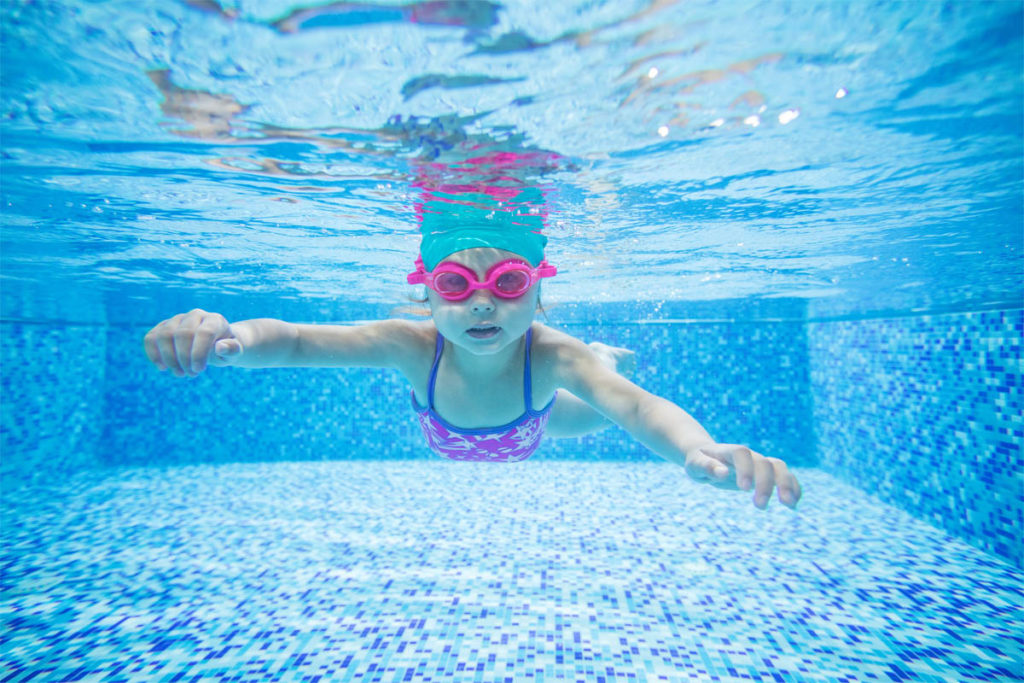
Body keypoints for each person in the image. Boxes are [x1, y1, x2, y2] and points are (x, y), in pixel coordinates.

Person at [143, 188, 801, 510]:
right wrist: (232, 338)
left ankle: (608, 353)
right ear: (427, 294)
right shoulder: (408, 343)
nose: (481, 302)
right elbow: (292, 344)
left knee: (597, 391)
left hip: (535, 421)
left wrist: (694, 445)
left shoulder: (550, 352)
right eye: (456, 285)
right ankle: (605, 356)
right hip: (447, 422)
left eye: (508, 282)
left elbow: (638, 409)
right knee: (591, 385)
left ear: (537, 294)